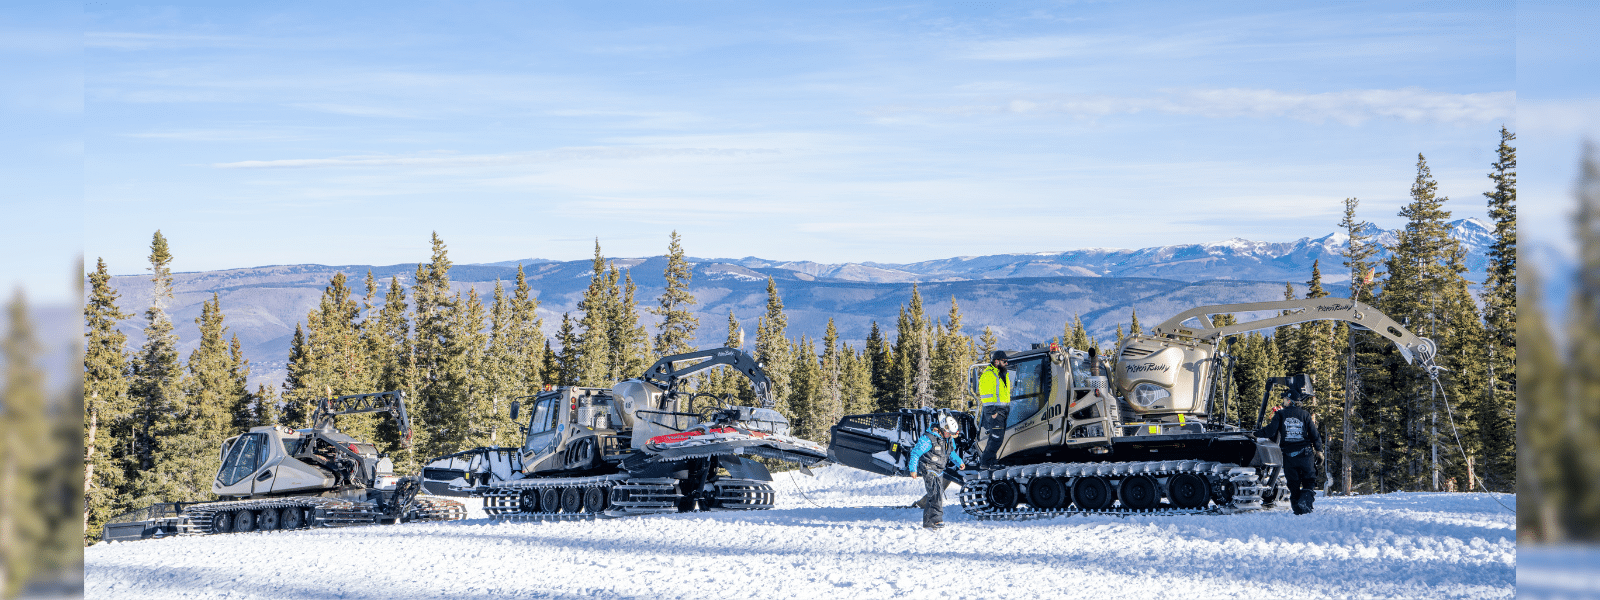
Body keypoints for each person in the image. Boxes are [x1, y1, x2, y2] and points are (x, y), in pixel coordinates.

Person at [1255, 391, 1323, 515]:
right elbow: (1314, 434)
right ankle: (1305, 502)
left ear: (1290, 400)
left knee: (1293, 483)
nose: (1283, 401)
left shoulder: (1280, 414)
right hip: (1305, 454)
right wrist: (1319, 451)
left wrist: (1255, 433)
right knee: (1309, 480)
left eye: (1285, 399)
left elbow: (1270, 431)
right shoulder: (1305, 414)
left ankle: (1297, 509)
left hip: (1289, 456)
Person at [907, 415, 965, 529]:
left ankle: (928, 522)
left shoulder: (948, 438)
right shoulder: (928, 439)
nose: (951, 436)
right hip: (928, 468)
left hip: (939, 469)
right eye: (949, 433)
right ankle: (937, 520)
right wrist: (913, 469)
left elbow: (950, 453)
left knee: (932, 495)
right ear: (943, 429)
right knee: (936, 493)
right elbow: (915, 453)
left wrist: (959, 462)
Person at [975, 351, 1011, 468]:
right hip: (995, 410)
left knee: (998, 437)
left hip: (1003, 410)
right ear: (997, 361)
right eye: (1004, 361)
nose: (1006, 363)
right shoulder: (988, 375)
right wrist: (992, 412)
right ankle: (986, 462)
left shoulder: (1002, 374)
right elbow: (985, 395)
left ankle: (991, 461)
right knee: (996, 437)